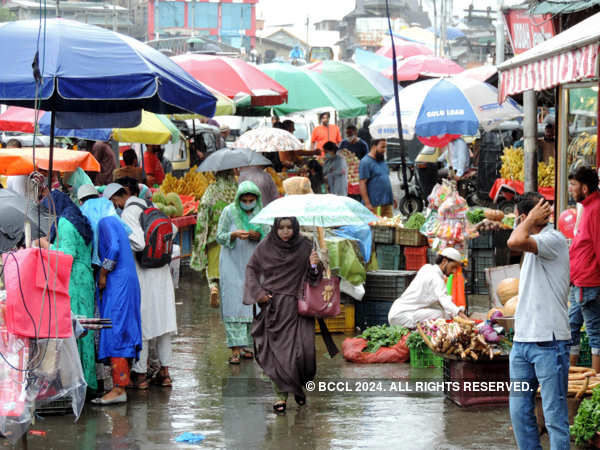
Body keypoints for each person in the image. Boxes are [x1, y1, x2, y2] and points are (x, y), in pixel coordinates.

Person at [506, 193, 570, 450]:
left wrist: (529, 218)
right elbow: (517, 236)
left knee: (555, 417)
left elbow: (514, 240)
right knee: (520, 413)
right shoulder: (533, 240)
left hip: (549, 343)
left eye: (519, 216)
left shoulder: (552, 239)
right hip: (523, 343)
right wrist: (524, 218)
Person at [243, 217, 322, 413]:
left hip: (300, 309)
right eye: (281, 228)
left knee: (303, 353)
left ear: (295, 228)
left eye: (289, 227)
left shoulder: (305, 246)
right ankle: (281, 397)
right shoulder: (265, 247)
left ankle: (298, 388)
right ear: (275, 228)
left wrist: (313, 265)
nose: (285, 232)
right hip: (274, 309)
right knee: (278, 356)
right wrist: (259, 294)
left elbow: (315, 278)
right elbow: (251, 270)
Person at [104, 183, 177, 389]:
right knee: (164, 325)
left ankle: (141, 375)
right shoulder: (152, 207)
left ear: (123, 195)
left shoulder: (129, 212)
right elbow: (173, 230)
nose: (115, 206)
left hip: (144, 273)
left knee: (144, 322)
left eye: (115, 201)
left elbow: (139, 243)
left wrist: (122, 239)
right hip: (162, 272)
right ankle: (165, 373)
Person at [79, 190, 142, 405]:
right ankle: (120, 385)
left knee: (116, 331)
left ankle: (119, 389)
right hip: (126, 280)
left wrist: (104, 274)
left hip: (118, 282)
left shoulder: (105, 222)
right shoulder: (115, 222)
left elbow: (113, 249)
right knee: (121, 329)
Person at [39, 190, 97, 391]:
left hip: (75, 280)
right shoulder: (78, 218)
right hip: (85, 278)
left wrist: (45, 245)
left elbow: (66, 255)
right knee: (85, 330)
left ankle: (80, 383)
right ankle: (87, 381)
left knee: (76, 330)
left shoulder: (65, 223)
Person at [216, 181, 268, 364]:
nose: (248, 203)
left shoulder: (262, 213)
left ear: (256, 199)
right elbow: (219, 236)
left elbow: (269, 239)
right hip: (231, 264)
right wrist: (233, 235)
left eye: (251, 200)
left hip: (254, 266)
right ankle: (235, 350)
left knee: (251, 306)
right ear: (238, 199)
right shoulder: (229, 212)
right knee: (233, 304)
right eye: (244, 200)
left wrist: (258, 236)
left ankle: (246, 345)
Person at [567, 167, 600, 372]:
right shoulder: (586, 207)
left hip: (590, 282)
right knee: (572, 326)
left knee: (595, 332)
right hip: (579, 282)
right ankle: (572, 375)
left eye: (573, 185)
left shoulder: (595, 209)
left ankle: (596, 385)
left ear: (585, 188)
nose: (570, 189)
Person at [190, 170, 238, 307]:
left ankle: (214, 287)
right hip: (235, 237)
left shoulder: (211, 190)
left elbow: (203, 213)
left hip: (215, 238)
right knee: (233, 271)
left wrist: (200, 241)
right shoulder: (238, 188)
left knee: (212, 271)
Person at [388, 248, 467, 328]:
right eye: (453, 267)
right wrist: (464, 317)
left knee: (446, 313)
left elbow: (440, 302)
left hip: (397, 312)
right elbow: (444, 300)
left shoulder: (427, 268)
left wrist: (456, 312)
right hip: (402, 316)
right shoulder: (436, 278)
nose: (454, 272)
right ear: (444, 262)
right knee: (440, 315)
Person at [359, 139, 394, 217]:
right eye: (382, 147)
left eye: (385, 147)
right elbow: (362, 184)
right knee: (377, 227)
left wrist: (393, 197)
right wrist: (367, 204)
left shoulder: (382, 161)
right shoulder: (365, 162)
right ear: (374, 147)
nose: (384, 150)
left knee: (391, 226)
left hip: (387, 203)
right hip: (374, 205)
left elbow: (386, 180)